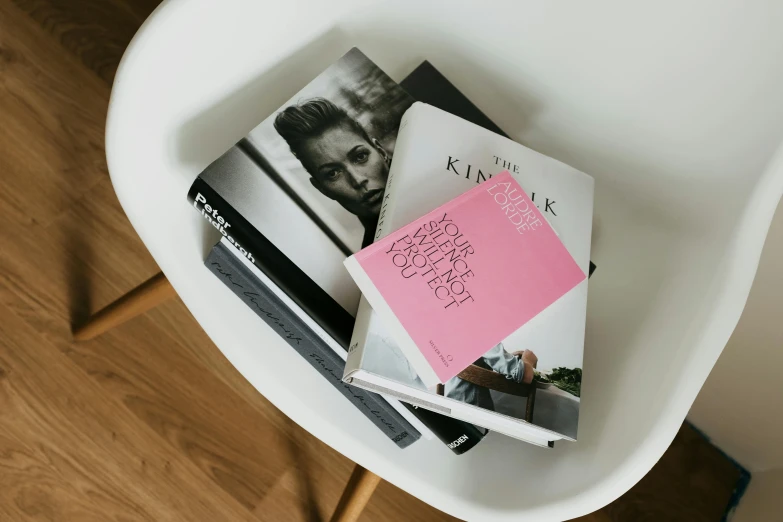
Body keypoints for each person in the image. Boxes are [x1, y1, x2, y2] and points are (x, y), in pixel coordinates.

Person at [274, 98, 391, 247]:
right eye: (333, 174)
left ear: (381, 152)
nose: (358, 180)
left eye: (360, 157)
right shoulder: (372, 265)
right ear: (322, 189)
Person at [444, 344, 538, 412]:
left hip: (448, 409)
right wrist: (528, 359)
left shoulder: (452, 334)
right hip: (475, 419)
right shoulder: (479, 333)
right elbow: (526, 376)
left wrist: (509, 358)